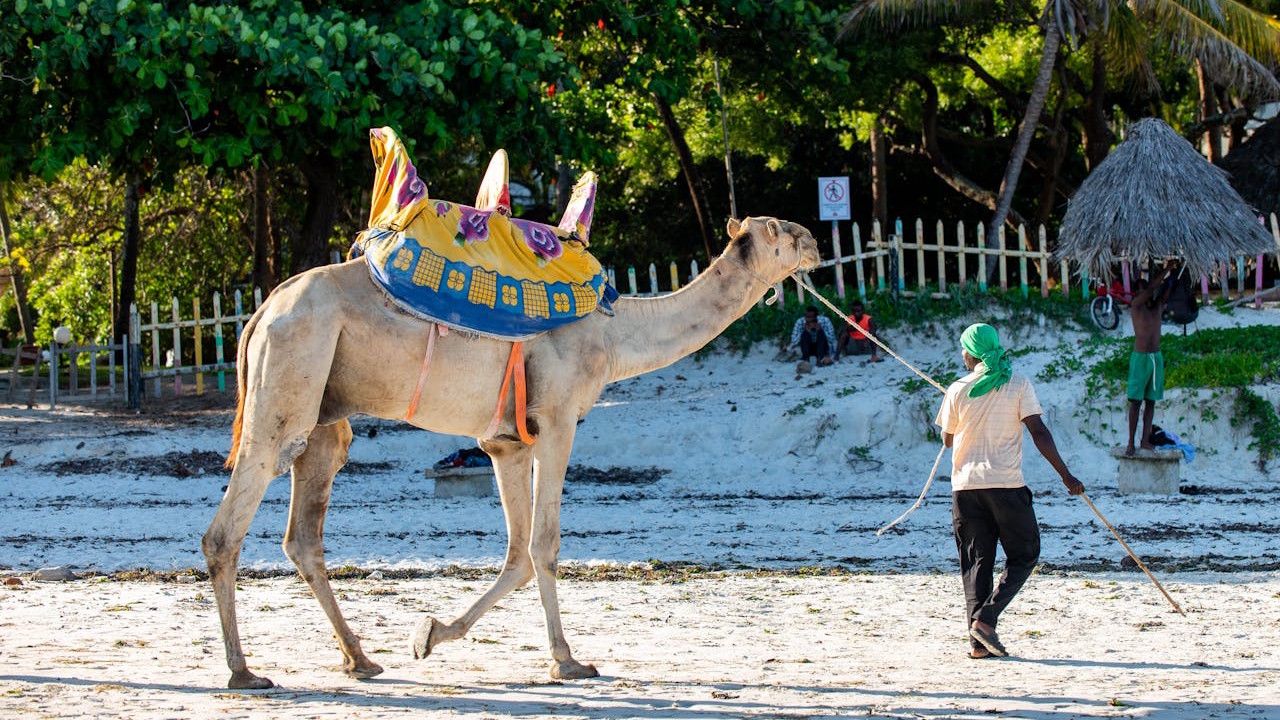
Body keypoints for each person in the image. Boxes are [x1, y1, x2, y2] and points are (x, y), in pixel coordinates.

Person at [935, 323, 1085, 659]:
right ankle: (985, 623)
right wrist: (1066, 476)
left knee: (976, 564)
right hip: (1006, 487)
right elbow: (1039, 431)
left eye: (964, 348)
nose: (963, 354)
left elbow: (947, 440)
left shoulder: (957, 389)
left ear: (972, 352)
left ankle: (978, 641)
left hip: (966, 489)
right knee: (1025, 554)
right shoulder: (1017, 383)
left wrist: (956, 410)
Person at [1126, 258, 1179, 457]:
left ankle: (1145, 439)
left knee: (1151, 402)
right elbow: (1150, 290)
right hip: (1140, 359)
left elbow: (1165, 290)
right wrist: (1166, 270)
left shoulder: (1157, 306)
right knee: (1135, 403)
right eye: (1142, 290)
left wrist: (1173, 275)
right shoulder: (1137, 305)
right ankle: (1131, 441)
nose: (1146, 293)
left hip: (1155, 359)